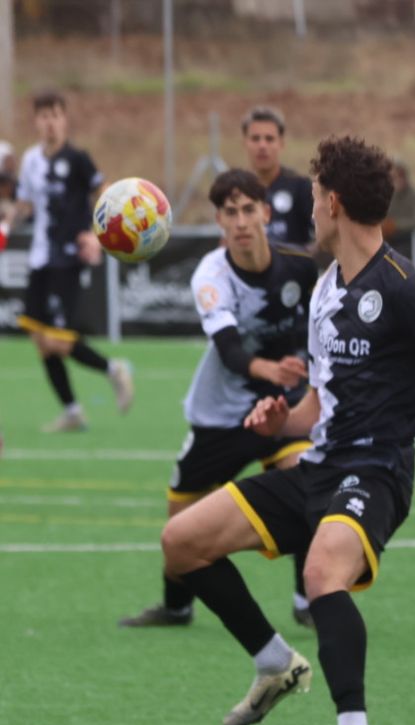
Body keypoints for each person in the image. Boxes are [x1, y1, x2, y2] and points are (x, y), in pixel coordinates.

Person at [160, 135, 415, 725]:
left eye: (313, 196)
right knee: (181, 543)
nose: (309, 208)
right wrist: (282, 419)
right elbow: (319, 402)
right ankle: (273, 663)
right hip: (317, 466)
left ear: (333, 203)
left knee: (320, 576)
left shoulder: (405, 288)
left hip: (376, 472)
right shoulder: (325, 288)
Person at [119, 170, 319, 630]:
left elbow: (318, 325)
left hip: (282, 408)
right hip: (222, 416)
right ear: (219, 221)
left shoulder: (300, 267)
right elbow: (229, 351)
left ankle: (306, 600)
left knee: (309, 479)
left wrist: (303, 369)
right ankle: (176, 607)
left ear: (265, 213)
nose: (241, 221)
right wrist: (271, 368)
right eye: (231, 212)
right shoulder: (211, 276)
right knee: (179, 525)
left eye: (249, 210)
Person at [0, 91, 132, 432]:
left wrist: (97, 234)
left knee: (58, 339)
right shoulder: (31, 160)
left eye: (55, 115)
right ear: (36, 122)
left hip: (69, 258)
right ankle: (72, 411)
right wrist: (6, 222)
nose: (50, 123)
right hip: (40, 258)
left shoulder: (77, 159)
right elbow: (25, 204)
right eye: (44, 116)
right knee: (40, 340)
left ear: (65, 120)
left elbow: (105, 193)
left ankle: (113, 369)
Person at [241, 105, 315, 249]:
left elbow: (324, 239)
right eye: (255, 138)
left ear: (281, 143)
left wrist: (301, 257)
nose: (262, 145)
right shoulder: (237, 189)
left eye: (269, 139)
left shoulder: (301, 186)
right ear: (245, 143)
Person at [382, 160, 415, 252]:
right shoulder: (388, 194)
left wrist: (394, 225)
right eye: (394, 177)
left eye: (400, 176)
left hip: (410, 240)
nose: (398, 180)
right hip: (390, 240)